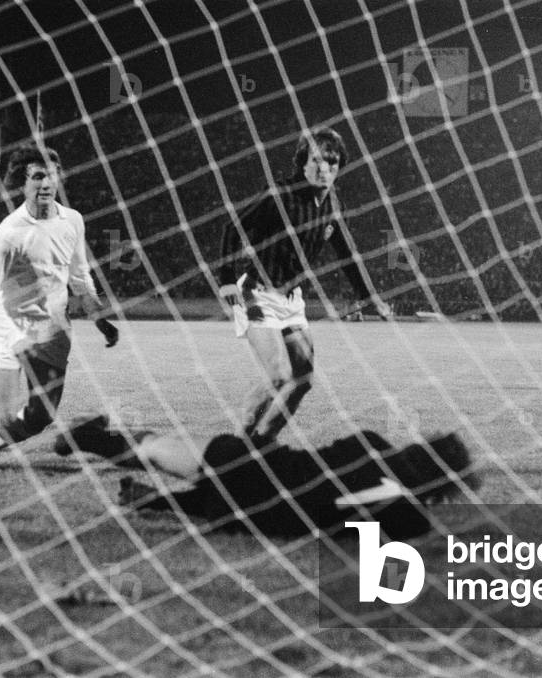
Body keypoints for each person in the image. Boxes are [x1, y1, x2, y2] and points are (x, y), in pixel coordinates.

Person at [218, 127, 391, 444]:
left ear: (339, 166)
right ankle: (235, 446)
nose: (324, 169)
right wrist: (227, 280)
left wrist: (369, 296)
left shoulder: (333, 204)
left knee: (303, 379)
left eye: (331, 162)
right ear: (302, 163)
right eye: (316, 161)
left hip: (291, 301)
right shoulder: (279, 194)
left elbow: (347, 254)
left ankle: (263, 443)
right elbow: (233, 228)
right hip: (256, 294)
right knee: (278, 376)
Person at [0, 144, 119, 467]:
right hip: (7, 327)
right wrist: (16, 337)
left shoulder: (73, 221)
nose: (46, 183)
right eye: (38, 176)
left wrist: (99, 317)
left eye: (52, 175)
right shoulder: (9, 233)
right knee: (0, 415)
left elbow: (79, 276)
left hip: (51, 330)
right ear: (23, 183)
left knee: (41, 416)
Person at [53, 414, 480, 540]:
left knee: (153, 448)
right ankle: (151, 499)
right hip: (252, 518)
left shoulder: (371, 442)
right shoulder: (412, 522)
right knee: (268, 502)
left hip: (247, 464)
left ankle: (87, 437)